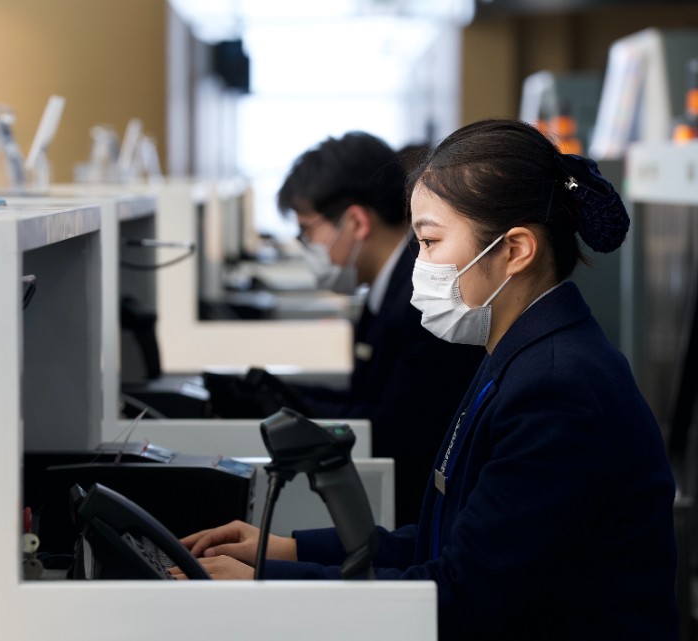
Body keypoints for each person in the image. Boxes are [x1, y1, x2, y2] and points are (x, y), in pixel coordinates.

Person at [174, 119, 679, 640]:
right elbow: (453, 538)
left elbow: (461, 596)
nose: (420, 264)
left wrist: (267, 581)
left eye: (430, 242)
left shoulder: (557, 388)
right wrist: (286, 548)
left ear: (515, 250)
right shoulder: (521, 350)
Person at [270, 132, 484, 525]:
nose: (307, 247)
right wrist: (286, 397)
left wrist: (290, 405)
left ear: (355, 221)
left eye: (308, 232)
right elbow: (367, 397)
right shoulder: (385, 289)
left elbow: (394, 430)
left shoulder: (423, 304)